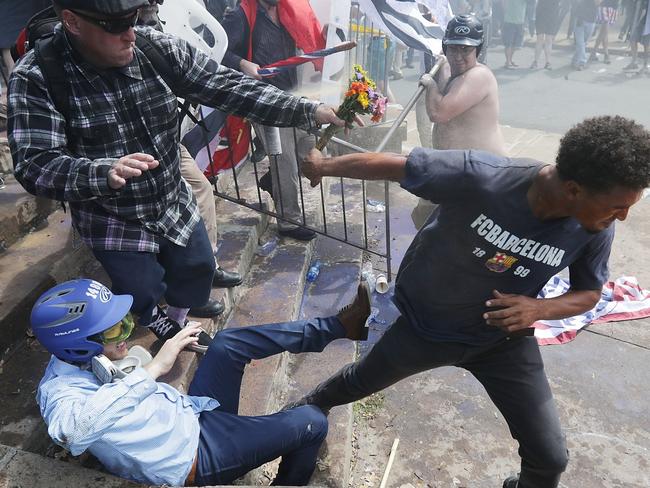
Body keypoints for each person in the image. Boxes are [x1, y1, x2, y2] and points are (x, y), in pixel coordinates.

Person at [293, 115, 650, 488]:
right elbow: (396, 165)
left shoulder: (595, 226)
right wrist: (323, 165)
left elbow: (590, 293)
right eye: (617, 207)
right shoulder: (484, 176)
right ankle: (296, 417)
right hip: (426, 330)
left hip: (502, 342)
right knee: (354, 384)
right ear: (574, 189)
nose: (622, 217)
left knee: (550, 458)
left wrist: (539, 309)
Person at [8, 0, 349, 350]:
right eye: (114, 26)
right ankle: (159, 323)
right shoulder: (38, 77)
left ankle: (178, 317)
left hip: (171, 196)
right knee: (140, 289)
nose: (129, 35)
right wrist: (100, 172)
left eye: (132, 21)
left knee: (198, 269)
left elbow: (230, 86)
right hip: (110, 214)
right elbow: (35, 163)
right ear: (72, 22)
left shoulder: (154, 46)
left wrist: (310, 110)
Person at [32, 277, 372, 486]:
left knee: (226, 344)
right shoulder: (59, 394)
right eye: (112, 331)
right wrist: (153, 370)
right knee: (312, 421)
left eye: (123, 323)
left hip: (191, 414)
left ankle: (339, 328)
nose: (126, 335)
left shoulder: (75, 354)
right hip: (194, 456)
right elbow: (72, 432)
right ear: (75, 342)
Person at [221, 0, 326, 242]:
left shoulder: (291, 9)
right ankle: (289, 222)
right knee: (285, 160)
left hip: (293, 97)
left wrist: (325, 40)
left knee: (310, 150)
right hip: (264, 101)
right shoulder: (242, 14)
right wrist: (242, 63)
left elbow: (309, 35)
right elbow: (219, 50)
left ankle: (272, 180)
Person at [416, 14, 506, 228]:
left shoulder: (478, 76)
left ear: (479, 50)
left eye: (466, 50)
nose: (458, 56)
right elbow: (447, 67)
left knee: (467, 240)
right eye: (454, 48)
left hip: (482, 175)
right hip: (457, 173)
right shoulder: (453, 70)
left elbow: (439, 113)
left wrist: (430, 85)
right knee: (425, 221)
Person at [531, 0, 560, 69]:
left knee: (548, 40)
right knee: (540, 39)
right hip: (541, 15)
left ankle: (547, 62)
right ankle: (535, 61)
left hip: (552, 16)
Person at [624, 0, 650, 72]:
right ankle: (634, 62)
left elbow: (644, 11)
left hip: (645, 23)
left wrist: (637, 23)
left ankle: (645, 64)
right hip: (638, 22)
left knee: (646, 44)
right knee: (633, 40)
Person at [589, 0, 619, 64]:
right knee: (605, 30)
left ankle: (594, 53)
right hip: (604, 6)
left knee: (604, 31)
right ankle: (606, 54)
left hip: (614, 6)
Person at [572, 0, 598, 70]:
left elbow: (598, 2)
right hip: (579, 17)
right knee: (580, 42)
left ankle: (575, 59)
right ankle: (582, 62)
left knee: (584, 42)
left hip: (591, 19)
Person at [502, 0, 528, 68]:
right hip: (509, 21)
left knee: (515, 44)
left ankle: (510, 60)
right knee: (508, 43)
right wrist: (505, 11)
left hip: (520, 21)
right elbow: (503, 2)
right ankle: (508, 62)